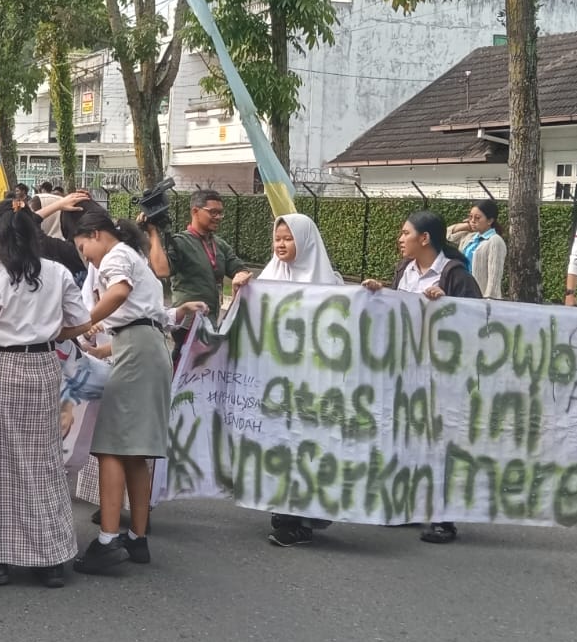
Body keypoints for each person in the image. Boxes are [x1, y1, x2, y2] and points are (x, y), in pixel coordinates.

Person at [0, 204, 91, 587]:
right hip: (45, 368)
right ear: (35, 236)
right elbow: (80, 322)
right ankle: (50, 561)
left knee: (0, 462)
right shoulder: (59, 273)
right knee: (44, 459)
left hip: (8, 369)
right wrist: (49, 334)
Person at [70, 208, 204, 574]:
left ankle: (108, 539)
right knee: (135, 452)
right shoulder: (132, 255)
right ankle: (137, 538)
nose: (87, 257)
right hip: (145, 348)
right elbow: (147, 315)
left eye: (84, 248)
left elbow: (120, 293)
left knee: (111, 447)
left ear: (96, 234)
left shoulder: (116, 256)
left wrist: (83, 323)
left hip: (137, 352)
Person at [363, 210, 481, 546]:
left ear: (424, 238)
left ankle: (443, 517)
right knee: (408, 437)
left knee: (441, 443)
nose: (400, 239)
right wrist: (380, 292)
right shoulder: (405, 270)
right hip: (406, 368)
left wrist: (448, 306)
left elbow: (478, 321)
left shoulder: (455, 276)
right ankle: (410, 505)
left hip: (443, 373)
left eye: (405, 233)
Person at [237, 214, 341, 548]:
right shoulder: (268, 278)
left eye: (288, 239)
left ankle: (302, 520)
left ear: (305, 241)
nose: (281, 244)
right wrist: (242, 288)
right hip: (276, 382)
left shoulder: (330, 284)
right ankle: (283, 510)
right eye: (277, 238)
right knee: (279, 446)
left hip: (314, 385)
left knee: (307, 448)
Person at [161, 190, 249, 365]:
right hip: (187, 323)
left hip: (211, 321)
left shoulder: (219, 244)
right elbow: (163, 269)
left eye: (220, 212)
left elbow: (238, 267)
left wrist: (241, 275)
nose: (218, 217)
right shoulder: (180, 242)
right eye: (212, 212)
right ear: (195, 211)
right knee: (183, 369)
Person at [449, 199, 506, 299]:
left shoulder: (495, 241)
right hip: (462, 290)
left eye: (478, 218)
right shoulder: (469, 237)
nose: (473, 221)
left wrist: (489, 299)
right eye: (470, 217)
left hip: (479, 295)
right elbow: (448, 234)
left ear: (490, 220)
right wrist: (467, 226)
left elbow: (494, 276)